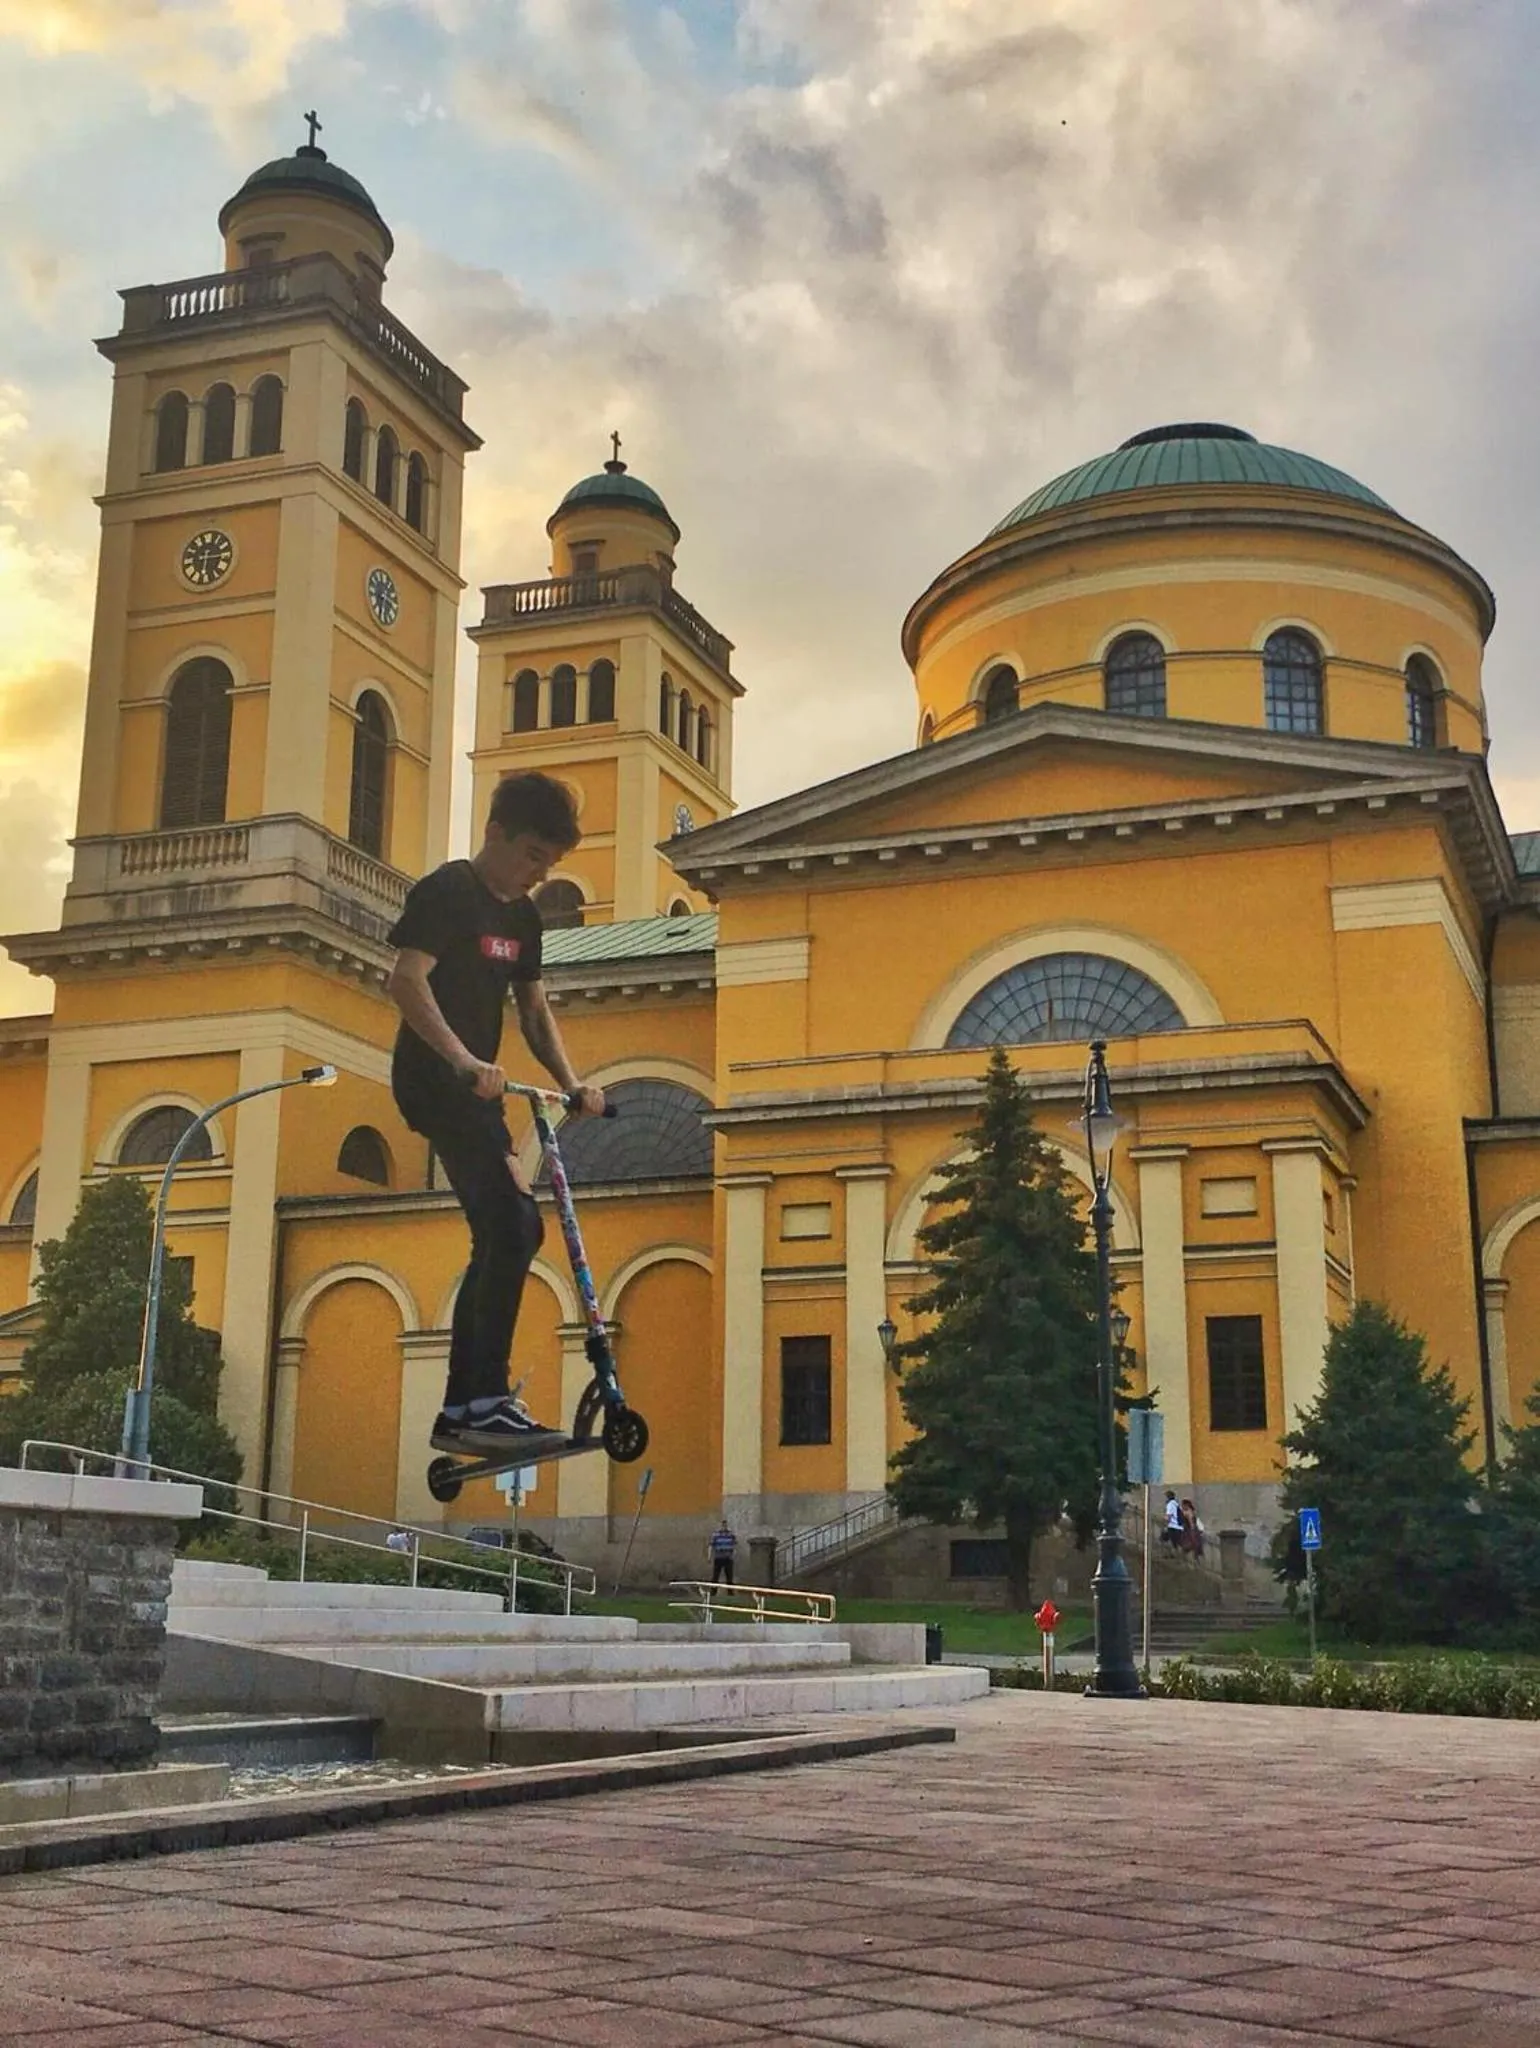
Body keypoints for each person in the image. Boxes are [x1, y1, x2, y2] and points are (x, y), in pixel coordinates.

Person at [386, 772, 605, 1454]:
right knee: (510, 1228)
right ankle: (477, 1403)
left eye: (552, 862)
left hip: (478, 1089)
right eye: (534, 855)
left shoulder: (523, 918)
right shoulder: (448, 892)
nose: (540, 874)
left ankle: (469, 1405)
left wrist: (572, 1084)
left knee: (514, 1229)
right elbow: (405, 979)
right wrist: (460, 1059)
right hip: (434, 1080)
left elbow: (533, 1011)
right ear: (496, 834)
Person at [709, 1519, 737, 1588]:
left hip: (728, 1557)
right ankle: (713, 1591)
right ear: (721, 1526)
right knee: (716, 1576)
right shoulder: (716, 1534)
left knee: (729, 1576)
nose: (724, 1527)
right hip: (718, 1557)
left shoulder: (731, 1534)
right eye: (723, 1525)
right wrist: (709, 1556)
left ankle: (730, 1592)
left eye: (725, 1525)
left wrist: (734, 1554)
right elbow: (711, 1546)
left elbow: (734, 1545)